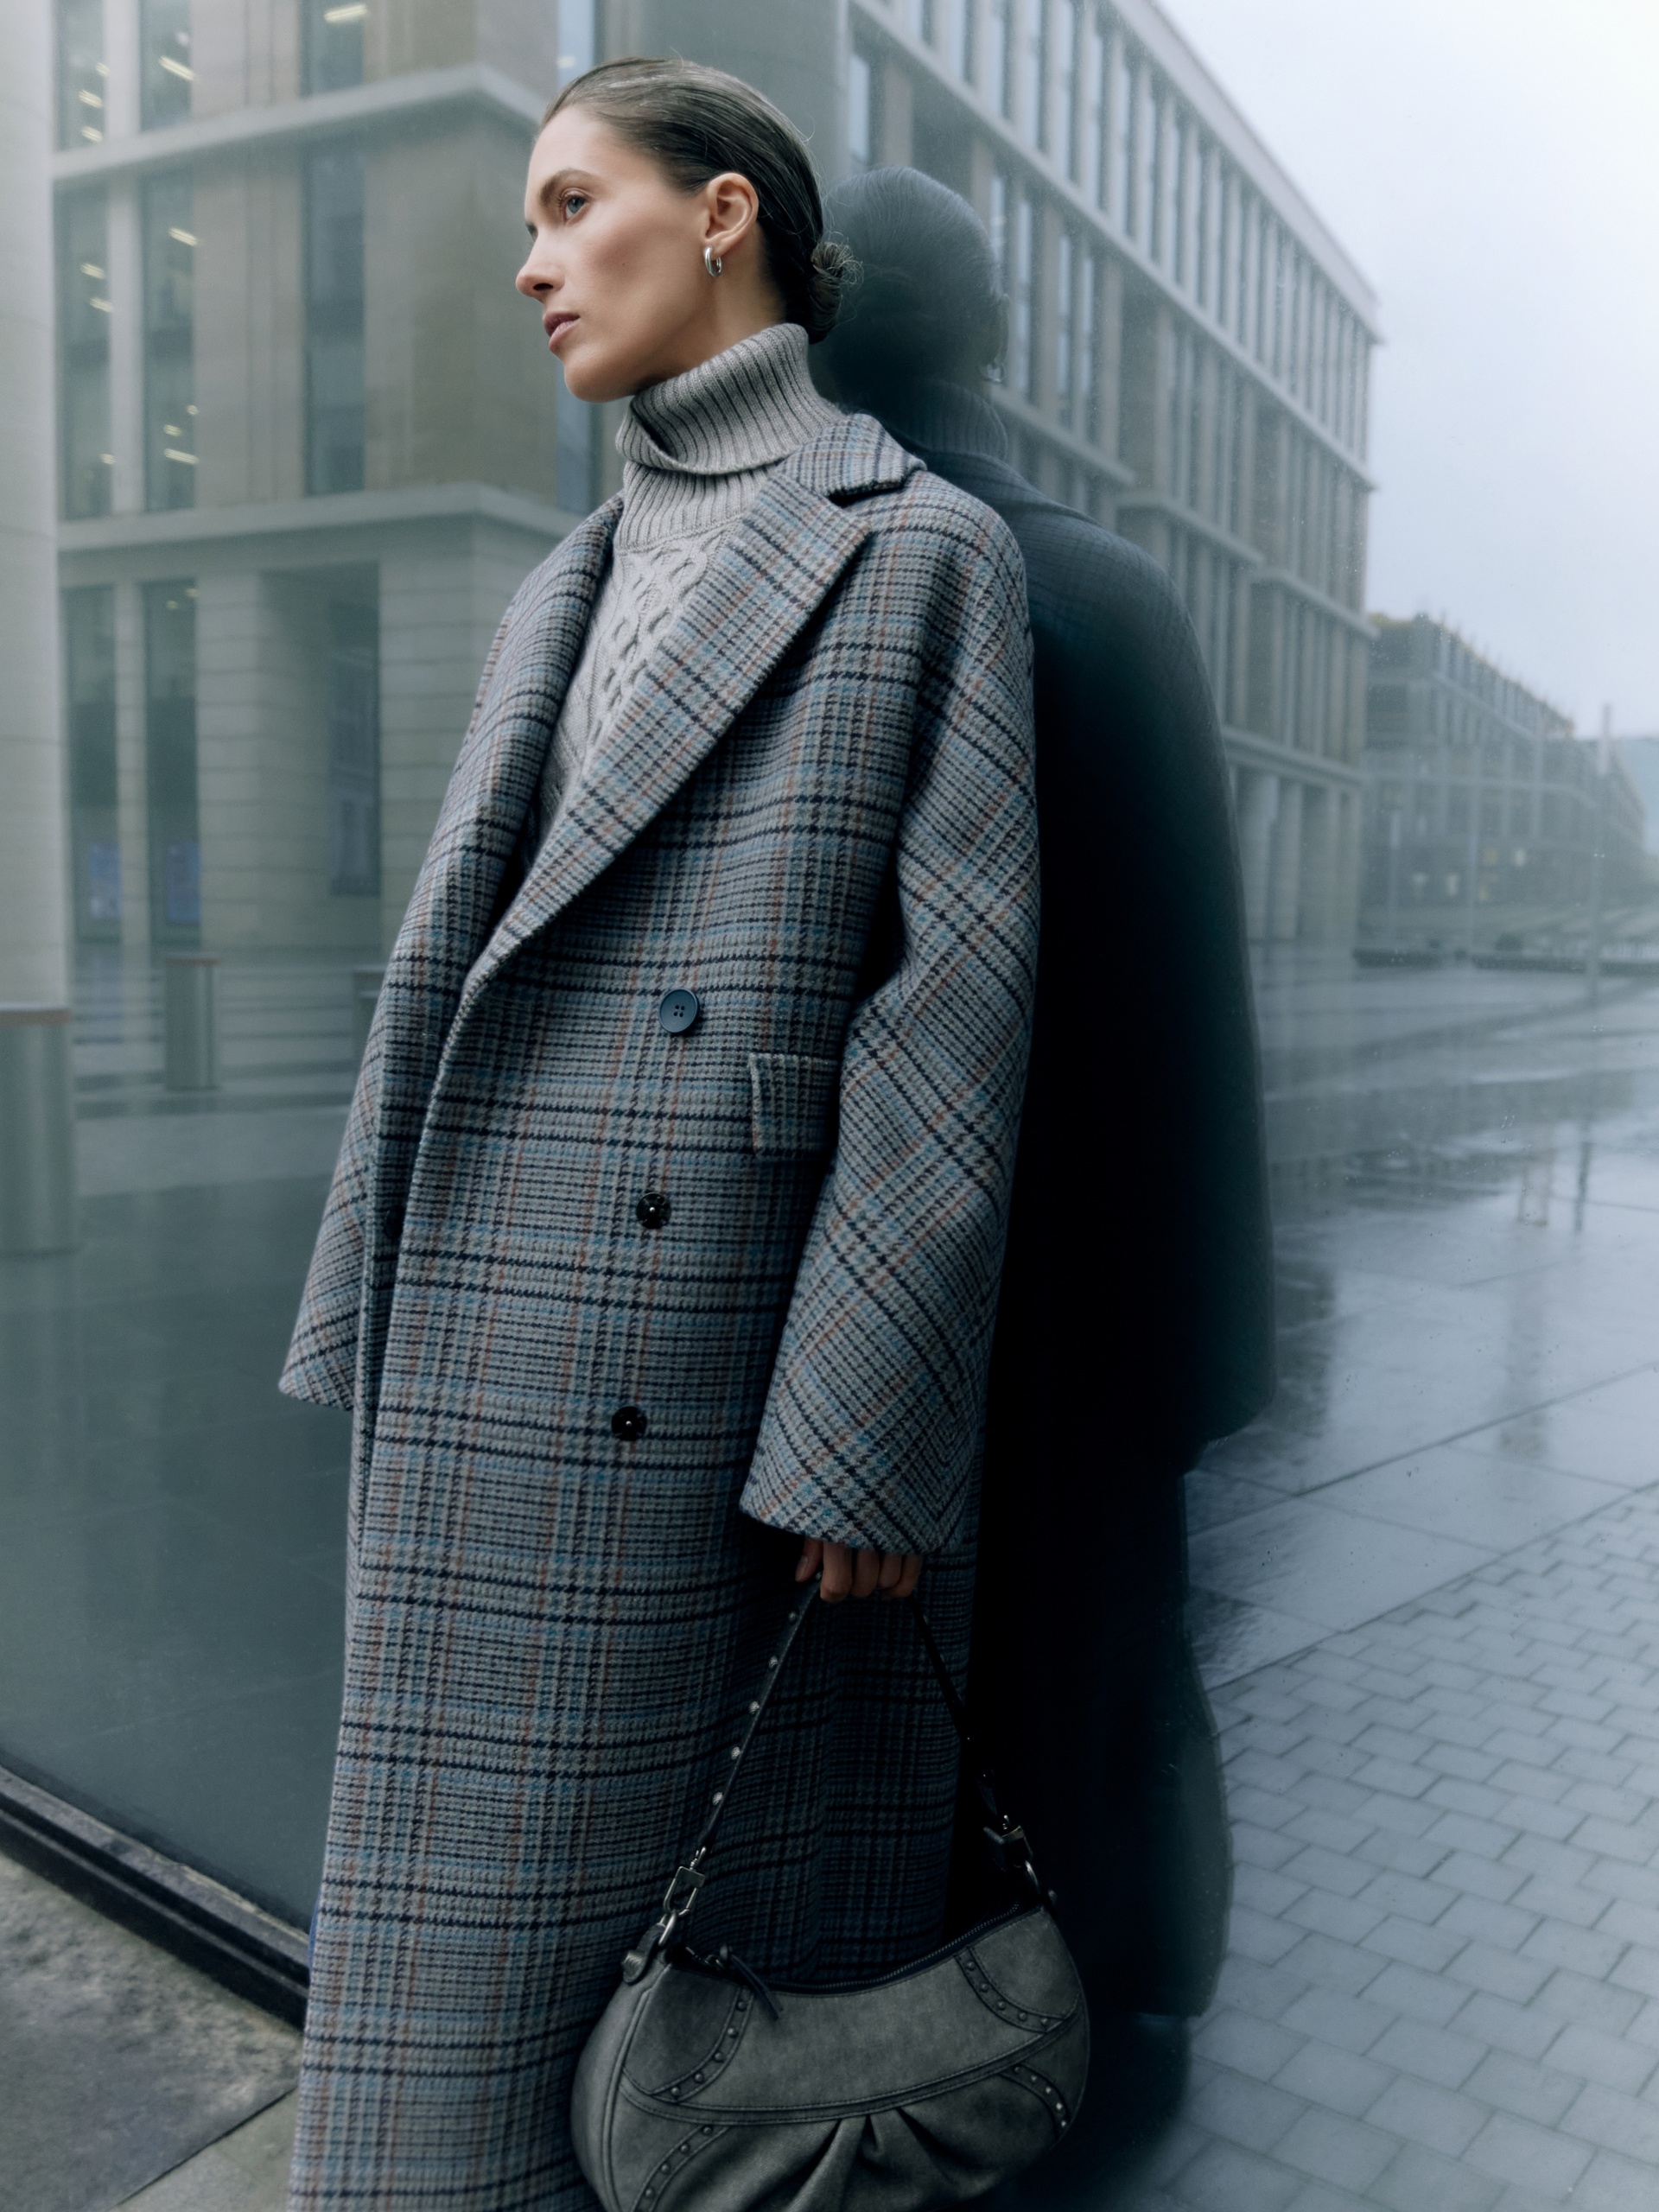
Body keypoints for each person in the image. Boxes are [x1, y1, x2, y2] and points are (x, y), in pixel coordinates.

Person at [279, 66, 1038, 2212]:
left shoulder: (916, 549)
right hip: (483, 1355)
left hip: (702, 1405)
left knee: (650, 2041)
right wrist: (364, 1296)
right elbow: (451, 970)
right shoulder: (573, 570)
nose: (528, 263)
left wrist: (864, 1440)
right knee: (445, 2032)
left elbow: (951, 1022)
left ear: (721, 217)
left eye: (566, 204)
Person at [817, 168, 1274, 2195]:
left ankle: (979, 2062)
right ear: (997, 340)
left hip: (935, 1313)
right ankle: (1127, 1995)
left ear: (822, 340)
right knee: (1105, 1675)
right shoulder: (1118, 590)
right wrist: (1204, 1349)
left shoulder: (864, 586)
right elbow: (1196, 1012)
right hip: (1118, 1311)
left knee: (926, 1732)